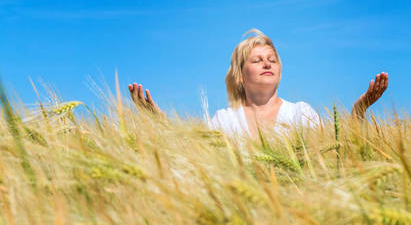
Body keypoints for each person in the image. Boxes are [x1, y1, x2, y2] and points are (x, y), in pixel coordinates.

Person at [128, 29, 388, 138]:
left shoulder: (301, 113)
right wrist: (158, 120)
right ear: (240, 75)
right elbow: (192, 155)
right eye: (258, 60)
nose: (267, 64)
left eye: (272, 60)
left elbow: (337, 154)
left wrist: (359, 110)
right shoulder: (222, 121)